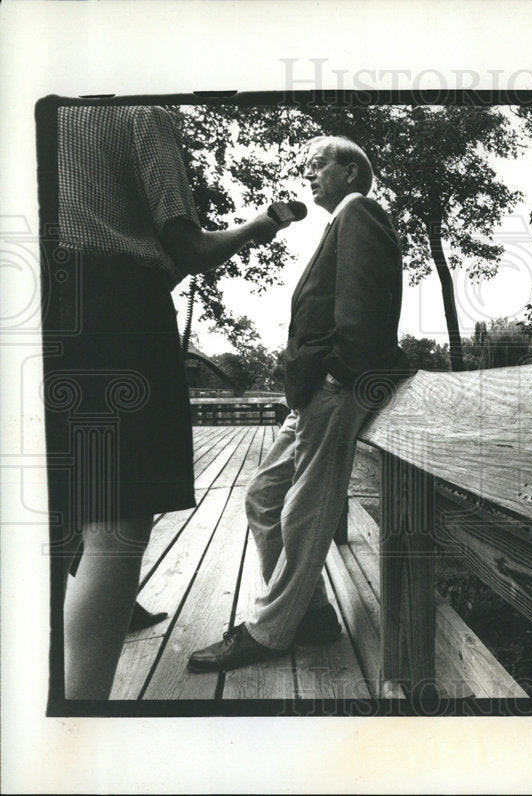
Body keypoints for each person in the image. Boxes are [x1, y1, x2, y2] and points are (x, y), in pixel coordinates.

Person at [43, 104, 292, 699]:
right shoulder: (138, 113)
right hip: (115, 316)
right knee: (115, 526)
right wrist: (259, 226)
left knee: (55, 511)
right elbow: (190, 251)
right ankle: (79, 728)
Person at [188, 135, 408, 672]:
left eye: (318, 164)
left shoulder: (359, 214)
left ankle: (268, 631)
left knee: (304, 511)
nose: (307, 174)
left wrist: (336, 373)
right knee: (264, 496)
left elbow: (360, 313)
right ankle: (309, 615)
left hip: (334, 388)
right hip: (316, 391)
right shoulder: (342, 222)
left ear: (351, 172)